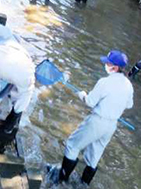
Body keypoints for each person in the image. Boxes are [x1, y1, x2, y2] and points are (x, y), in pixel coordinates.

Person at [48, 50, 133, 186]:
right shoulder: (128, 85)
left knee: (72, 145)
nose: (105, 64)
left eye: (108, 63)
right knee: (94, 156)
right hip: (112, 126)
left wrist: (82, 94)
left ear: (115, 67)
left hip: (98, 121)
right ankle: (84, 184)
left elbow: (90, 102)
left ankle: (61, 180)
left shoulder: (104, 82)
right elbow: (129, 105)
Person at [0, 22, 35, 134]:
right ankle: (12, 121)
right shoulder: (25, 54)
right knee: (26, 91)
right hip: (23, 68)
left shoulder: (7, 33)